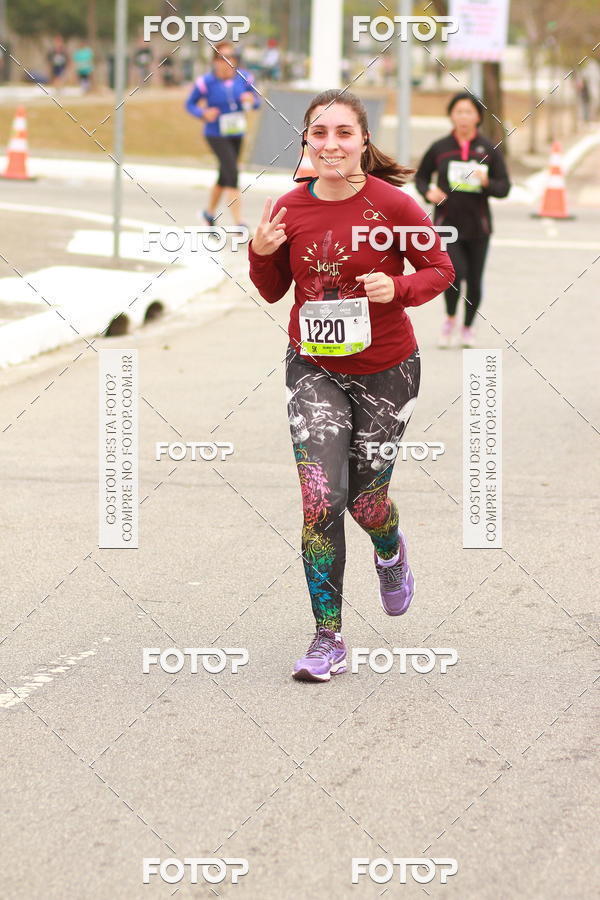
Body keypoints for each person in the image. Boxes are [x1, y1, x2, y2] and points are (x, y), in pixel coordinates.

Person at [247, 89, 455, 682]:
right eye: (319, 133)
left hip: (388, 370)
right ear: (305, 141)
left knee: (365, 502)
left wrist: (399, 289)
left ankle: (389, 548)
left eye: (344, 133)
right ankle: (327, 639)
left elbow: (441, 270)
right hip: (313, 367)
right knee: (321, 499)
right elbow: (272, 290)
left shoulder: (393, 205)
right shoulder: (288, 208)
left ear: (364, 140)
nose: (331, 144)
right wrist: (260, 253)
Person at [415, 92, 510, 348]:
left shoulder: (488, 149)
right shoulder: (440, 147)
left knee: (474, 280)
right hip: (447, 226)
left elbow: (504, 187)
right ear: (451, 116)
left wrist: (487, 182)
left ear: (478, 117)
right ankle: (449, 319)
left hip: (479, 226)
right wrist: (428, 192)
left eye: (469, 112)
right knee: (454, 274)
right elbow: (421, 177)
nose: (463, 117)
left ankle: (468, 327)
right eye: (458, 112)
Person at [184, 41, 261, 228]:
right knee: (232, 173)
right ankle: (238, 223)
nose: (227, 61)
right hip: (215, 133)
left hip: (237, 132)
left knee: (224, 175)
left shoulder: (244, 78)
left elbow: (257, 102)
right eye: (222, 57)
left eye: (231, 57)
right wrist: (203, 113)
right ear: (214, 61)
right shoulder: (206, 82)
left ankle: (208, 214)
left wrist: (251, 100)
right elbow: (189, 104)